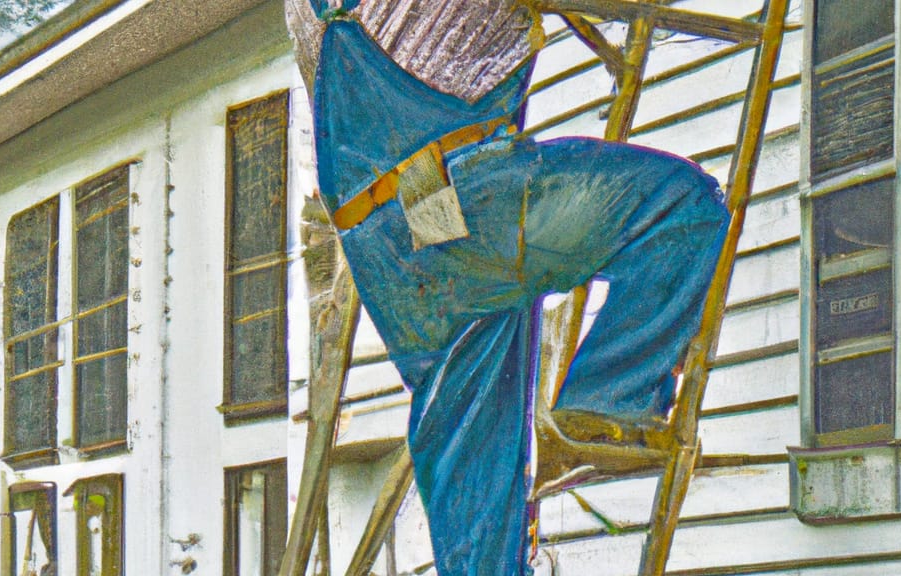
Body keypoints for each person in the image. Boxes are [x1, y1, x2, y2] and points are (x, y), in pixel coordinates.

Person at [287, 1, 729, 573]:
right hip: (466, 194)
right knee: (682, 208)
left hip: (394, 246)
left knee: (480, 508)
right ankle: (607, 400)